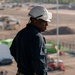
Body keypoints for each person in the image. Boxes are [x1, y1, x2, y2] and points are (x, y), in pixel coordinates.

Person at [10, 6, 52, 75]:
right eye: (44, 21)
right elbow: (39, 61)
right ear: (35, 21)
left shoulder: (21, 33)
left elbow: (12, 50)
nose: (47, 24)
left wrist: (23, 64)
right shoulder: (38, 37)